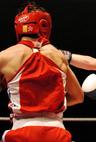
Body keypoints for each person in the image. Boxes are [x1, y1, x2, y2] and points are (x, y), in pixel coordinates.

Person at [0, 2, 84, 142]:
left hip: (22, 131)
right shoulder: (59, 56)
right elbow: (78, 97)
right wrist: (52, 104)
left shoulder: (6, 56)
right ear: (46, 25)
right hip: (57, 132)